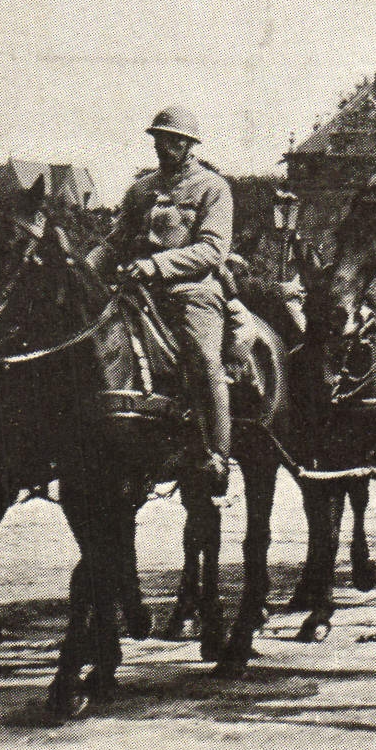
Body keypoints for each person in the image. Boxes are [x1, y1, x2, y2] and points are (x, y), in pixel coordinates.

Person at [91, 106, 234, 495]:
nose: (162, 146)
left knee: (206, 359)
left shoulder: (213, 188)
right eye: (158, 139)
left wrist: (156, 265)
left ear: (188, 145)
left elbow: (212, 250)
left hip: (191, 292)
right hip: (135, 290)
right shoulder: (141, 189)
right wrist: (83, 272)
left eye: (171, 140)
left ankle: (216, 457)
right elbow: (114, 241)